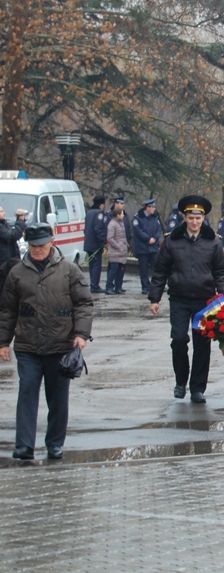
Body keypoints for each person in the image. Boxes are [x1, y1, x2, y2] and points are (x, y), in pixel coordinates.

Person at [0, 223, 93, 460]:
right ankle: (24, 446)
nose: (37, 250)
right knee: (27, 392)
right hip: (27, 345)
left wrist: (81, 334)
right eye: (33, 246)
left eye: (41, 245)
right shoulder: (17, 273)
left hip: (60, 344)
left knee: (57, 397)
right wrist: (3, 342)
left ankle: (54, 444)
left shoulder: (69, 270)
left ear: (51, 243)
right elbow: (8, 310)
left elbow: (83, 304)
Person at [148, 195, 224, 403]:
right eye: (191, 218)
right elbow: (160, 271)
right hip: (179, 299)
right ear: (184, 218)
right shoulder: (171, 241)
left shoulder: (213, 241)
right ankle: (180, 381)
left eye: (198, 218)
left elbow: (220, 272)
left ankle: (197, 388)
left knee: (202, 345)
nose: (195, 222)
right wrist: (154, 298)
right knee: (178, 340)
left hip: (204, 300)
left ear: (203, 219)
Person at [133, 199, 162, 294]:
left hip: (153, 247)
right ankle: (145, 286)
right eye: (152, 207)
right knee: (143, 268)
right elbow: (138, 231)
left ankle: (156, 285)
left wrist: (155, 238)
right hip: (142, 247)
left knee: (156, 267)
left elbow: (158, 229)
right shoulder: (138, 218)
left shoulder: (155, 217)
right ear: (147, 208)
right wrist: (148, 239)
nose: (154, 209)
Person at [84, 195, 109, 293]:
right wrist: (103, 241)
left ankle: (93, 284)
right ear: (101, 205)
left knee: (92, 265)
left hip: (88, 243)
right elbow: (99, 229)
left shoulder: (89, 213)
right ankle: (95, 286)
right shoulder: (99, 213)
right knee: (96, 265)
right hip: (95, 244)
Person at [105, 207, 128, 294]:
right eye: (122, 214)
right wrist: (118, 246)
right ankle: (109, 287)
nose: (123, 215)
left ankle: (118, 287)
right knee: (113, 271)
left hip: (122, 252)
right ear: (118, 215)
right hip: (115, 252)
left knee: (120, 270)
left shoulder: (121, 223)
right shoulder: (112, 224)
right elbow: (110, 238)